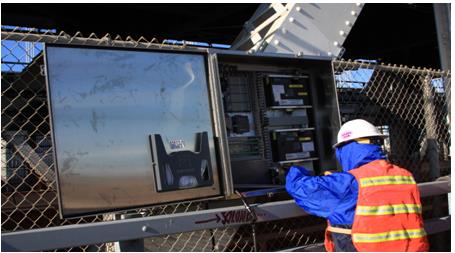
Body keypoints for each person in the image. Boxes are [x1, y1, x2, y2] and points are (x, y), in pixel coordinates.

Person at [285, 119, 429, 252]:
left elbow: (299, 187)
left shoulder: (348, 182)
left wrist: (296, 169)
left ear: (347, 148)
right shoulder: (405, 175)